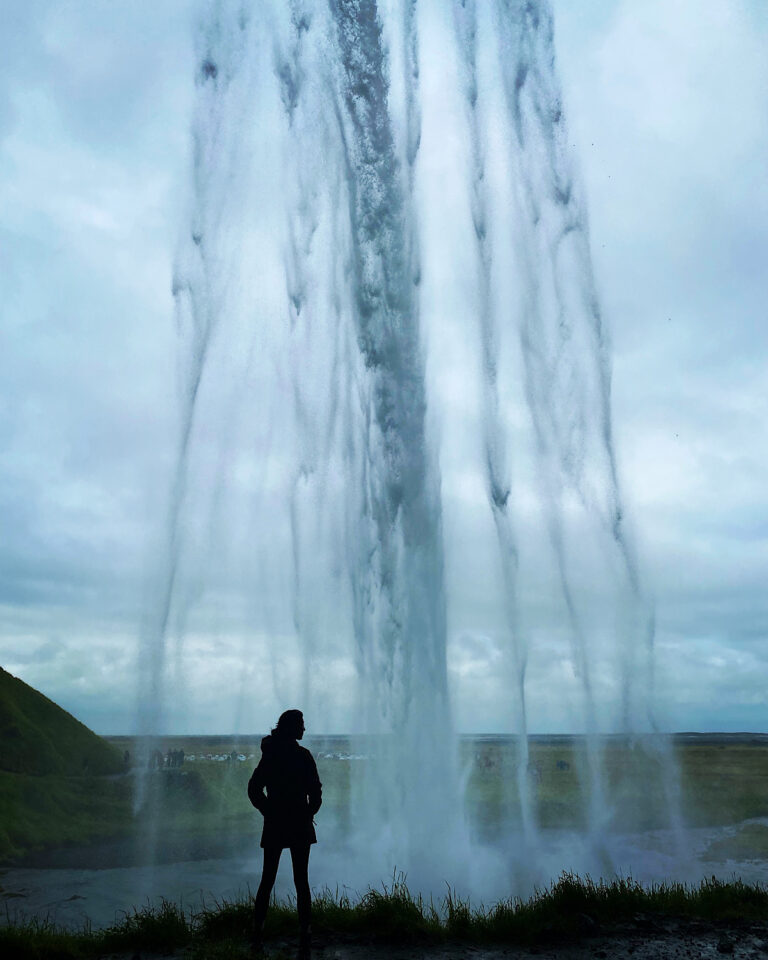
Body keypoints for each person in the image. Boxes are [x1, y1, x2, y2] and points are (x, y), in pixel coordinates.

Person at [247, 709, 322, 957]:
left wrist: (268, 810)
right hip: (299, 823)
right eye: (301, 724)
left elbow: (254, 789)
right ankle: (305, 932)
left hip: (276, 823)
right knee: (301, 880)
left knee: (267, 878)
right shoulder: (303, 756)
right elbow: (316, 790)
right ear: (292, 727)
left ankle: (258, 932)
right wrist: (308, 812)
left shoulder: (271, 755)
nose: (304, 728)